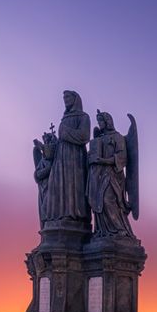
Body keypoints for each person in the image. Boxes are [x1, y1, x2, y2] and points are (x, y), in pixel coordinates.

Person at [42, 90, 91, 224]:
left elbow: (84, 136)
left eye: (68, 97)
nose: (65, 100)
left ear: (75, 99)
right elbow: (63, 137)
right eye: (64, 98)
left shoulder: (83, 116)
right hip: (61, 155)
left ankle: (74, 215)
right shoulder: (64, 118)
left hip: (75, 157)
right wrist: (55, 140)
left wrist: (65, 132)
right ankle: (60, 214)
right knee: (57, 183)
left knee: (73, 183)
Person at [88, 110, 135, 238]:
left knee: (108, 200)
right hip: (98, 175)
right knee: (98, 203)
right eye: (98, 122)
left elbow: (121, 157)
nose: (99, 124)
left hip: (113, 175)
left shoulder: (117, 137)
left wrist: (103, 160)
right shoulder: (99, 139)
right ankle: (103, 231)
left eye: (101, 121)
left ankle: (120, 229)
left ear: (108, 121)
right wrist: (91, 159)